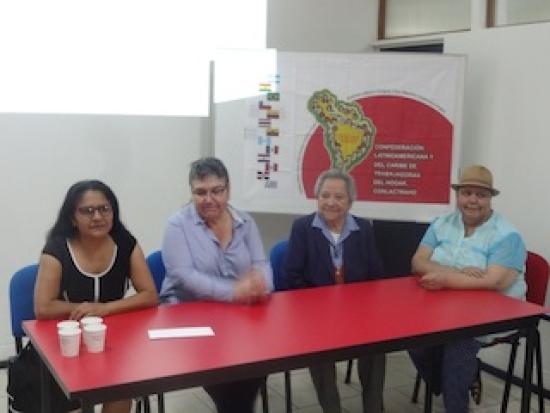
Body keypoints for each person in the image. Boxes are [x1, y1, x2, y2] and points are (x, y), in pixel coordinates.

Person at [409, 165, 527, 413]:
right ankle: (465, 375)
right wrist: (458, 273)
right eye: (467, 193)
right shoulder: (441, 223)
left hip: (493, 313)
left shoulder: (507, 235)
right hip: (446, 308)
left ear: (490, 199)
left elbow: (495, 282)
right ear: (458, 195)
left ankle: (457, 403)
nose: (472, 200)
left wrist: (442, 275)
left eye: (481, 195)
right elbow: (418, 261)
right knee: (412, 338)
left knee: (456, 348)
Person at [34, 180, 159, 413]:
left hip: (115, 339)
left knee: (123, 387)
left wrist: (105, 309)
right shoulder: (57, 248)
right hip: (69, 339)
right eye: (87, 211)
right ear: (72, 217)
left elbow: (150, 295)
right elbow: (43, 307)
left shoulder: (125, 242)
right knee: (77, 392)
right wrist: (85, 309)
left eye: (104, 209)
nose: (98, 217)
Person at [160, 157, 273, 413]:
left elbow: (261, 263)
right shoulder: (177, 225)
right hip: (189, 316)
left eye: (216, 191)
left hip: (237, 317)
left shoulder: (245, 222)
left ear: (228, 190)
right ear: (191, 193)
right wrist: (235, 291)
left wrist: (262, 283)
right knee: (232, 381)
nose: (209, 199)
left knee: (255, 364)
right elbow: (184, 276)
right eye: (200, 192)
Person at [283, 169, 386, 413]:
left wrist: (362, 309)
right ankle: (332, 409)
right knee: (318, 351)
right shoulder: (302, 228)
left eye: (339, 197)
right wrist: (318, 308)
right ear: (316, 197)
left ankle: (374, 408)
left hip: (356, 313)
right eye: (325, 195)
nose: (331, 202)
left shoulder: (363, 228)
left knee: (377, 346)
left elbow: (376, 275)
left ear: (350, 201)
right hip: (316, 315)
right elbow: (291, 276)